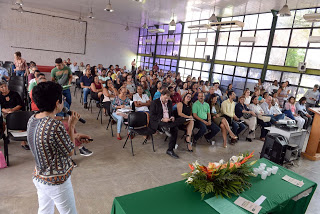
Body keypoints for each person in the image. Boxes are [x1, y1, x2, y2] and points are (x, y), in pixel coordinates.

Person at [27, 81, 82, 214]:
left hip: (40, 176)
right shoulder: (55, 126)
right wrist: (72, 126)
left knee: (45, 211)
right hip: (56, 181)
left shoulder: (32, 119)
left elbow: (51, 144)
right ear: (57, 103)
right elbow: (70, 151)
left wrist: (77, 135)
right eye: (62, 98)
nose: (63, 100)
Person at [149, 89, 186, 159]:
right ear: (161, 95)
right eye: (165, 98)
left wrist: (172, 117)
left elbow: (171, 112)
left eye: (168, 98)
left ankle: (170, 150)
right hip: (159, 121)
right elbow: (152, 115)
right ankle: (168, 127)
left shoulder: (169, 102)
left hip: (168, 121)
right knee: (174, 129)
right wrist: (162, 119)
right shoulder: (155, 102)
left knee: (181, 121)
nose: (166, 100)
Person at [0, 80, 27, 149]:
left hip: (16, 111)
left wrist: (12, 110)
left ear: (7, 86)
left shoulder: (14, 94)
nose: (4, 88)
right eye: (1, 87)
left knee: (22, 121)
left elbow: (20, 105)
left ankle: (23, 142)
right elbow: (0, 107)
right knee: (1, 123)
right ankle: (3, 136)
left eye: (5, 86)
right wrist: (5, 110)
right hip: (4, 112)